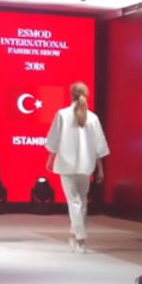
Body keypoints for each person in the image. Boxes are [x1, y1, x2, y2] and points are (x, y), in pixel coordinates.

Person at [45, 81, 109, 253]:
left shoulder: (62, 114)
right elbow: (99, 146)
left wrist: (50, 159)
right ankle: (75, 234)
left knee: (74, 202)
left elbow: (54, 140)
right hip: (86, 164)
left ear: (71, 94)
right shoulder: (93, 118)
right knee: (81, 202)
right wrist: (100, 168)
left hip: (67, 164)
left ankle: (80, 238)